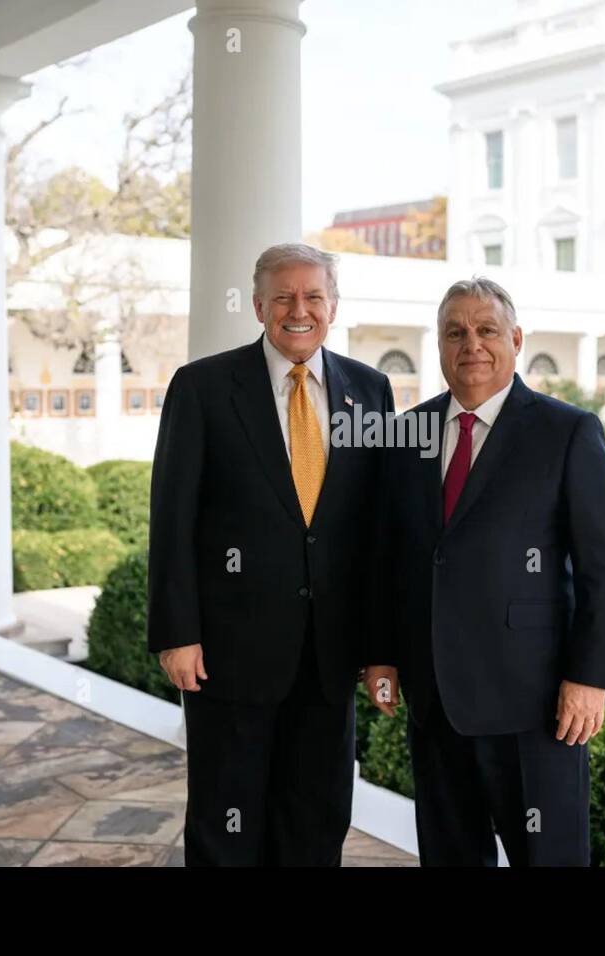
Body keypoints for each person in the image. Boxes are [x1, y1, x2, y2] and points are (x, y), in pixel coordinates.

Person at [365, 277, 605, 866]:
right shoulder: (405, 435)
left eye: (487, 330)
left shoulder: (566, 432)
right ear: (439, 345)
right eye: (455, 332)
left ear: (515, 339)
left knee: (548, 858)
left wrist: (589, 678)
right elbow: (391, 558)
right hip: (436, 702)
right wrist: (382, 655)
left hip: (535, 706)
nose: (472, 345)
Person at [148, 242, 393, 866]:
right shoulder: (202, 387)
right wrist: (178, 634)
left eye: (313, 296)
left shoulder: (371, 391)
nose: (298, 309)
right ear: (258, 305)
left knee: (317, 815)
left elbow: (377, 533)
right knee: (225, 819)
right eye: (283, 296)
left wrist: (379, 650)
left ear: (333, 307)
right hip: (228, 655)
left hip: (329, 656)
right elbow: (172, 520)